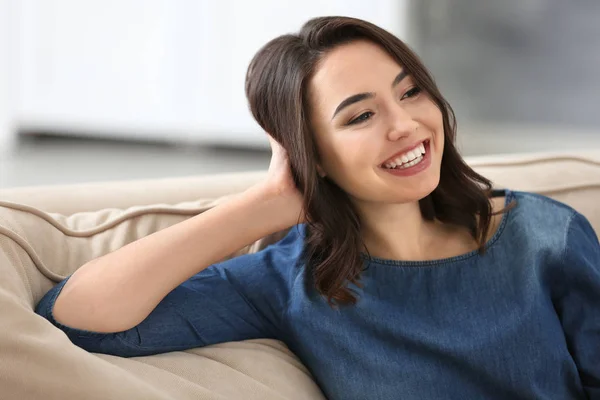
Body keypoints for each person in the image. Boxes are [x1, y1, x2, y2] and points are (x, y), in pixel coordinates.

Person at [35, 16, 599, 400]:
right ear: (314, 155)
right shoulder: (292, 281)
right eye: (360, 116)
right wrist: (267, 204)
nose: (406, 126)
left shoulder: (543, 235)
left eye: (410, 93)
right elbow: (78, 320)